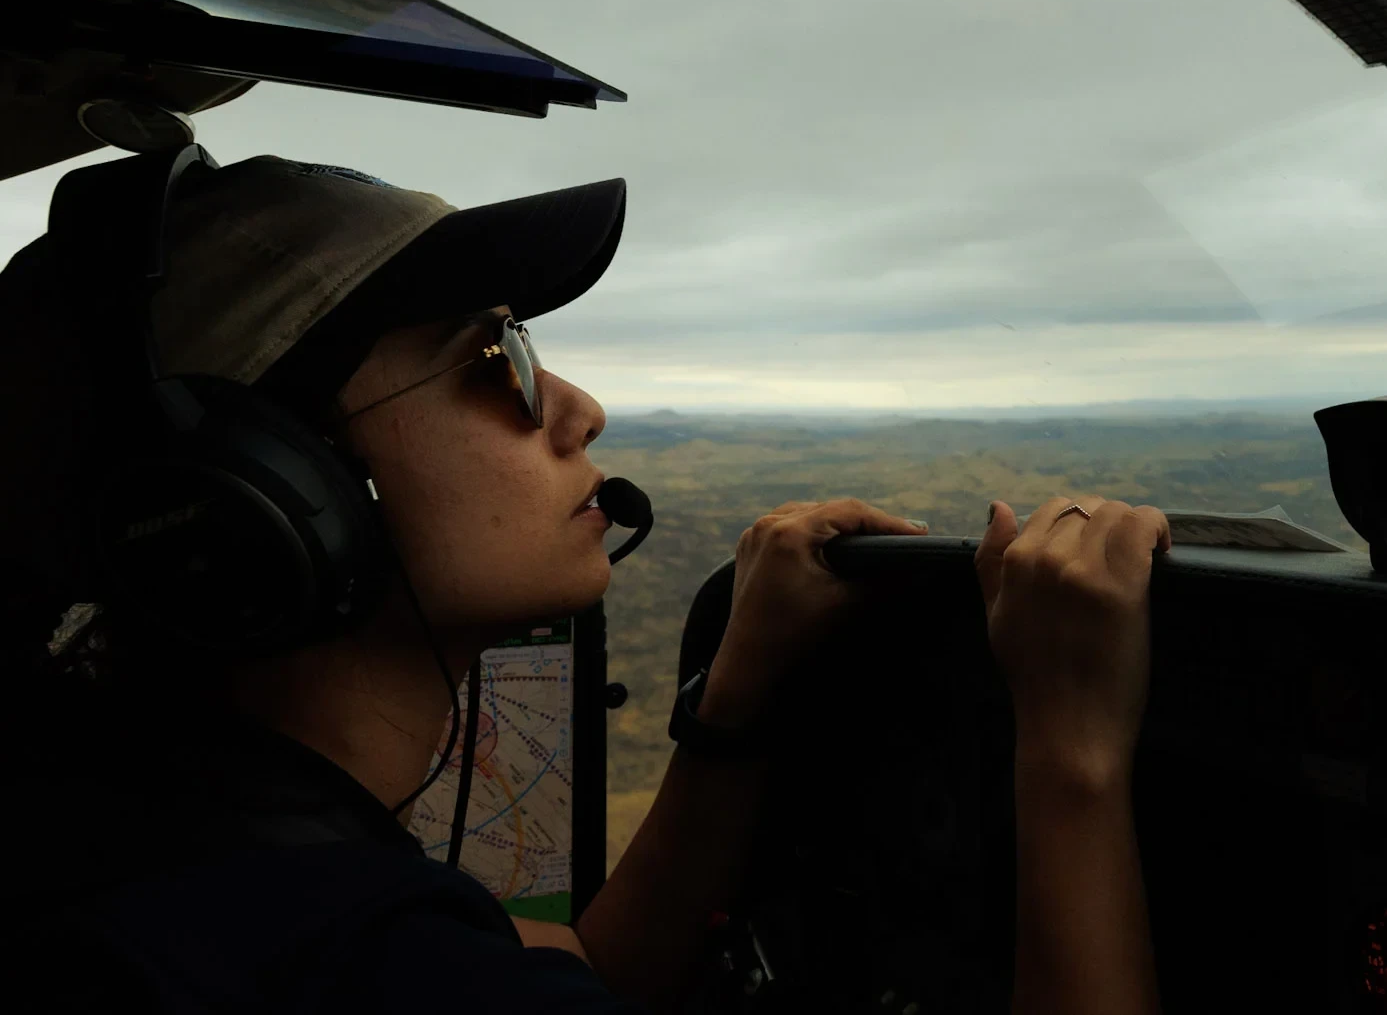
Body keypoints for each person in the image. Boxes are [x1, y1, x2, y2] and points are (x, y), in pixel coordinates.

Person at [2, 149, 1167, 1015]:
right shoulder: (349, 966)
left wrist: (731, 706)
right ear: (262, 491)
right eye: (492, 361)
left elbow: (569, 974)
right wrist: (1071, 757)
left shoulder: (134, 834)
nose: (577, 409)